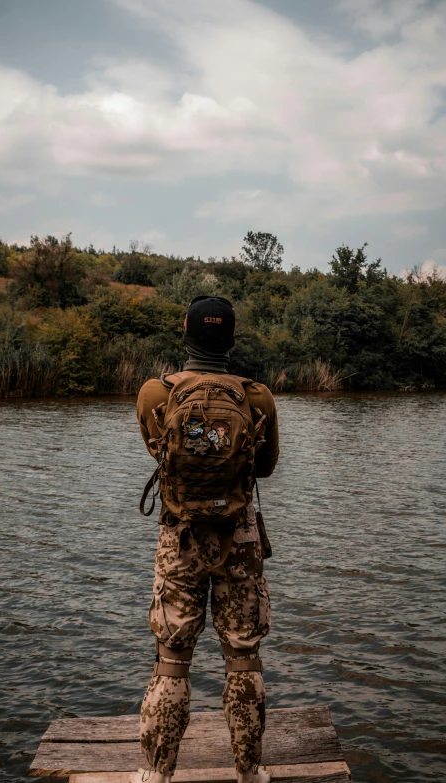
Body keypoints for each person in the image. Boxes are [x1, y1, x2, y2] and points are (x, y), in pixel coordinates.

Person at [136, 295, 279, 783]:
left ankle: (157, 774)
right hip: (239, 536)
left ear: (185, 331)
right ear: (232, 338)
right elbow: (266, 467)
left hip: (180, 536)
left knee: (172, 658)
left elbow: (161, 455)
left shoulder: (155, 394)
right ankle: (249, 771)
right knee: (243, 655)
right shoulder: (256, 396)